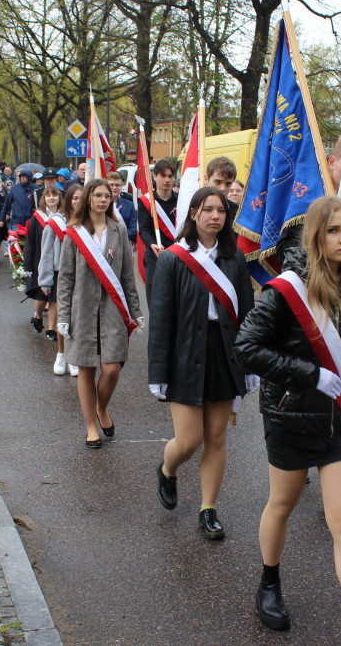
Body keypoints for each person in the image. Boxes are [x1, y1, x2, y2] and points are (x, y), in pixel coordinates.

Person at [233, 198, 341, 640]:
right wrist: (309, 373)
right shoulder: (288, 290)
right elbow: (246, 347)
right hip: (290, 416)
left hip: (338, 424)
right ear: (316, 237)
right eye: (334, 231)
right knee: (282, 504)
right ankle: (269, 582)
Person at [148, 187, 255, 541]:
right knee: (189, 440)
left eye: (221, 210)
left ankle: (208, 509)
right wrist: (158, 372)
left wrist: (250, 362)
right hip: (185, 353)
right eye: (208, 209)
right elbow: (161, 319)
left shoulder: (235, 258)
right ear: (193, 213)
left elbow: (247, 314)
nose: (215, 216)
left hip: (223, 351)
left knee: (216, 436)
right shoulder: (173, 259)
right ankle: (167, 468)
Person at [57, 179, 143, 448]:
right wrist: (62, 314)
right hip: (81, 309)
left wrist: (136, 310)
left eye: (107, 196)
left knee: (112, 368)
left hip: (113, 309)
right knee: (85, 369)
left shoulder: (118, 230)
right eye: (98, 195)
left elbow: (128, 276)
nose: (104, 200)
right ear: (88, 199)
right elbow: (66, 278)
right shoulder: (74, 233)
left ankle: (101, 407)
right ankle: (91, 426)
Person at [40, 183, 80, 376]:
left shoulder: (89, 222)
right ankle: (61, 354)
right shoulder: (57, 222)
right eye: (74, 198)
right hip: (60, 275)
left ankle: (74, 357)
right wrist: (45, 281)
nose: (78, 201)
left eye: (82, 198)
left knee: (78, 318)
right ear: (69, 199)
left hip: (82, 276)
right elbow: (46, 252)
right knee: (63, 317)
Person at [136, 158, 178, 302]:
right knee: (155, 292)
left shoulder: (181, 201)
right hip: (155, 253)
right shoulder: (146, 202)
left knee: (177, 292)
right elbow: (144, 230)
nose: (166, 179)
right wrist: (151, 244)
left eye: (170, 176)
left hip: (177, 253)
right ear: (155, 176)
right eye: (163, 175)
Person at [24, 185, 63, 336]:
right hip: (39, 261)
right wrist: (28, 265)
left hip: (57, 262)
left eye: (55, 195)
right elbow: (30, 242)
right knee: (41, 296)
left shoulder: (63, 217)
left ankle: (51, 328)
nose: (52, 198)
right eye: (48, 195)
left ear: (59, 198)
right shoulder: (37, 217)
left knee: (54, 297)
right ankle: (38, 315)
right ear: (43, 199)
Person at [106, 171, 137, 245]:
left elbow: (133, 230)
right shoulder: (102, 204)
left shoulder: (130, 205)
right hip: (106, 243)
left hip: (124, 244)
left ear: (122, 186)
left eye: (117, 185)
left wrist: (117, 237)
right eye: (111, 185)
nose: (114, 188)